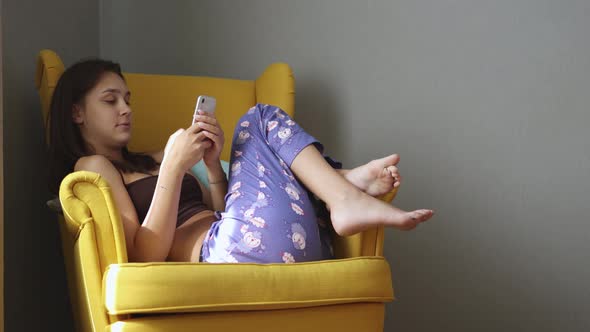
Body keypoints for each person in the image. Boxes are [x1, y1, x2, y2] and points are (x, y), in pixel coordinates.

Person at [47, 58, 434, 264]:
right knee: (258, 119)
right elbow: (142, 253)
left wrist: (214, 168)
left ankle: (343, 185)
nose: (126, 109)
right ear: (77, 111)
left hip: (261, 237)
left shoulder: (154, 154)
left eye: (128, 99)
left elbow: (219, 211)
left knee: (266, 142)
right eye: (110, 100)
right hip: (223, 254)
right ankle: (345, 190)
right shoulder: (93, 168)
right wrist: (173, 169)